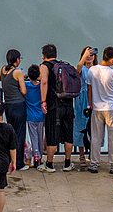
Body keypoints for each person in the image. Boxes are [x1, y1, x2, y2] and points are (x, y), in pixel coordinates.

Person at [39, 43, 75, 173]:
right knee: (68, 134)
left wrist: (43, 101)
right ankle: (67, 163)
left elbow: (44, 82)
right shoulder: (62, 66)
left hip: (54, 105)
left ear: (43, 56)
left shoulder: (45, 66)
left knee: (52, 134)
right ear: (56, 55)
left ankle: (49, 164)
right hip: (68, 104)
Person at [87, 46, 113, 174]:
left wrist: (90, 103)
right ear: (112, 59)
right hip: (111, 108)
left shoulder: (92, 70)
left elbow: (89, 88)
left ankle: (94, 163)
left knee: (96, 136)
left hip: (97, 107)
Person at [0, 50, 28, 171]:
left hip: (8, 106)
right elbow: (24, 91)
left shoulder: (3, 69)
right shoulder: (18, 72)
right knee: (19, 135)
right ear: (17, 60)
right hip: (19, 105)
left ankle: (9, 160)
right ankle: (19, 162)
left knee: (11, 134)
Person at [73, 46, 96, 163]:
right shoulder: (82, 69)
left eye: (91, 55)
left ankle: (93, 154)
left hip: (94, 98)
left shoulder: (96, 68)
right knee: (80, 125)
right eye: (87, 55)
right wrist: (84, 57)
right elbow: (77, 69)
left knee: (94, 127)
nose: (89, 57)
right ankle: (81, 154)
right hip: (82, 99)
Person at [24, 65, 44, 169]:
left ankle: (35, 156)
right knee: (40, 136)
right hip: (40, 115)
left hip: (30, 115)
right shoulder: (41, 86)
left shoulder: (26, 85)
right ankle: (39, 157)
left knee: (33, 137)